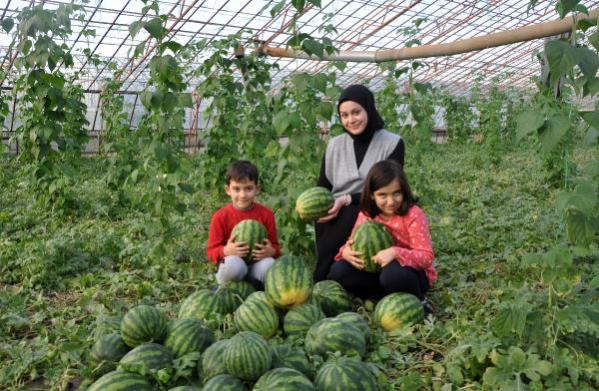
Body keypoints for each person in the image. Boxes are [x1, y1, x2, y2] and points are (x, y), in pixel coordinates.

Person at [314, 84, 405, 281]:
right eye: (344, 115)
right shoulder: (335, 145)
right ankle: (331, 268)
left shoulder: (392, 143)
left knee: (351, 212)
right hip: (338, 206)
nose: (350, 120)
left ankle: (320, 276)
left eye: (356, 112)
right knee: (324, 214)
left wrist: (346, 199)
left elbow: (387, 187)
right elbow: (323, 185)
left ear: (369, 109)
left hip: (376, 204)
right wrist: (313, 207)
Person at [329, 160, 435, 304]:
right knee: (338, 271)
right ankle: (381, 297)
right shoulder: (367, 215)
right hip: (377, 273)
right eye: (383, 195)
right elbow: (352, 242)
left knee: (392, 274)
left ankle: (419, 301)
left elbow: (426, 257)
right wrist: (346, 252)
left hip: (409, 274)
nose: (391, 201)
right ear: (372, 195)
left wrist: (396, 253)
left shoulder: (413, 214)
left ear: (404, 190)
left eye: (396, 193)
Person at [206, 160, 280, 287]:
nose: (243, 195)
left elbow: (276, 247)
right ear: (228, 190)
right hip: (234, 264)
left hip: (256, 266)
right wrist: (225, 250)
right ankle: (227, 290)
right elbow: (211, 251)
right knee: (231, 266)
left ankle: (253, 288)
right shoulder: (220, 216)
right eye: (236, 189)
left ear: (257, 189)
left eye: (248, 188)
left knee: (270, 265)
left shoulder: (266, 214)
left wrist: (271, 252)